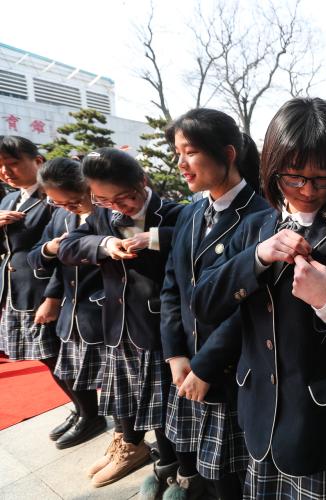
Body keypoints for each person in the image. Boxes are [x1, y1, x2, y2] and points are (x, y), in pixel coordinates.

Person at [193, 97, 326, 499]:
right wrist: (257, 257)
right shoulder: (253, 226)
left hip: (323, 418)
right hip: (259, 410)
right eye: (294, 177)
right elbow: (205, 303)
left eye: (322, 179)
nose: (308, 190)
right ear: (272, 168)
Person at [153, 108, 268, 500]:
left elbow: (250, 309)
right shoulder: (190, 213)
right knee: (207, 470)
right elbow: (172, 287)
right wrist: (175, 354)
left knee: (234, 476)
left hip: (229, 371)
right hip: (188, 366)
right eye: (177, 152)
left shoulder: (262, 217)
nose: (181, 163)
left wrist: (204, 365)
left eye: (190, 151)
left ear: (229, 153)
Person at [57, 148, 182, 488]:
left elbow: (192, 236)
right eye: (104, 200)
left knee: (162, 407)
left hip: (156, 328)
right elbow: (69, 247)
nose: (118, 207)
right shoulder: (102, 216)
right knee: (121, 395)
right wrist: (106, 243)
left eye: (124, 198)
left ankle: (171, 467)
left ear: (142, 181)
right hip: (116, 324)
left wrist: (153, 238)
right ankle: (129, 446)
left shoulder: (171, 212)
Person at [27, 158, 107, 451]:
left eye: (74, 201)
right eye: (58, 203)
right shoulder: (61, 218)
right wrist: (51, 248)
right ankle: (85, 413)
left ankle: (123, 436)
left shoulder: (108, 212)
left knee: (114, 382)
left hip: (103, 310)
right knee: (71, 369)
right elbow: (36, 257)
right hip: (72, 309)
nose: (68, 208)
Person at [0, 136, 69, 438]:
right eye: (1, 166)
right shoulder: (6, 200)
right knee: (43, 356)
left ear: (38, 162)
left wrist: (53, 295)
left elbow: (64, 253)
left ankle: (89, 411)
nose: (6, 171)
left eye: (13, 163)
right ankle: (80, 409)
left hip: (42, 289)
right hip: (14, 289)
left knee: (56, 354)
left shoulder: (53, 198)